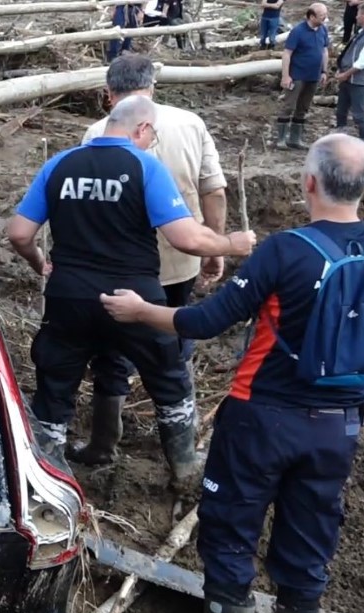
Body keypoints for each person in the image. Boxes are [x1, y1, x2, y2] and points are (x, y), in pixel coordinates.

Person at [101, 133, 364, 613]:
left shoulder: (286, 250)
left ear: (309, 182)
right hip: (338, 425)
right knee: (311, 536)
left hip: (260, 418)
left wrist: (141, 311)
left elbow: (205, 321)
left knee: (230, 533)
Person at [5, 95, 255, 495]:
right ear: (142, 128)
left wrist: (39, 262)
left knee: (55, 384)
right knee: (168, 377)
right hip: (133, 299)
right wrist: (231, 243)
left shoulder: (61, 164)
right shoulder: (145, 167)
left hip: (69, 297)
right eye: (152, 134)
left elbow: (19, 233)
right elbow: (186, 238)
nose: (152, 141)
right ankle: (184, 467)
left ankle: (45, 478)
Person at [71, 55, 229, 467]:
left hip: (118, 267)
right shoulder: (190, 123)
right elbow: (213, 190)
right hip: (180, 259)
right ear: (152, 88)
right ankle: (182, 450)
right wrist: (213, 244)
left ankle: (103, 444)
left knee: (111, 351)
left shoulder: (96, 133)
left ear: (109, 94)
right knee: (176, 340)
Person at [274, 4, 332, 150]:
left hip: (313, 76)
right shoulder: (298, 31)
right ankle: (281, 139)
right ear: (312, 16)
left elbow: (324, 51)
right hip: (297, 75)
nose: (325, 18)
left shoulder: (323, 30)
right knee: (289, 105)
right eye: (322, 15)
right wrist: (286, 76)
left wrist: (324, 71)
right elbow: (287, 54)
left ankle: (295, 139)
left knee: (303, 107)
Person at [334, 2, 364, 143]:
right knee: (341, 111)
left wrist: (345, 74)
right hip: (349, 78)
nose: (355, 17)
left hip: (359, 81)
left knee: (358, 114)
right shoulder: (362, 31)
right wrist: (341, 68)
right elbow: (351, 53)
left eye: (358, 14)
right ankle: (340, 138)